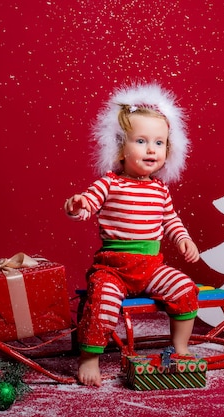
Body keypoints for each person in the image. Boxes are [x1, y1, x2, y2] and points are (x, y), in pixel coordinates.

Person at [64, 83, 200, 386]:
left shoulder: (160, 189)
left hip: (151, 268)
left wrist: (183, 239)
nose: (152, 149)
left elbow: (171, 220)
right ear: (120, 148)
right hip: (114, 268)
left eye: (159, 143)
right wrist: (78, 205)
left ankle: (180, 346)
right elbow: (87, 207)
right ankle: (89, 360)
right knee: (102, 302)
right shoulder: (110, 183)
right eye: (141, 141)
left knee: (184, 288)